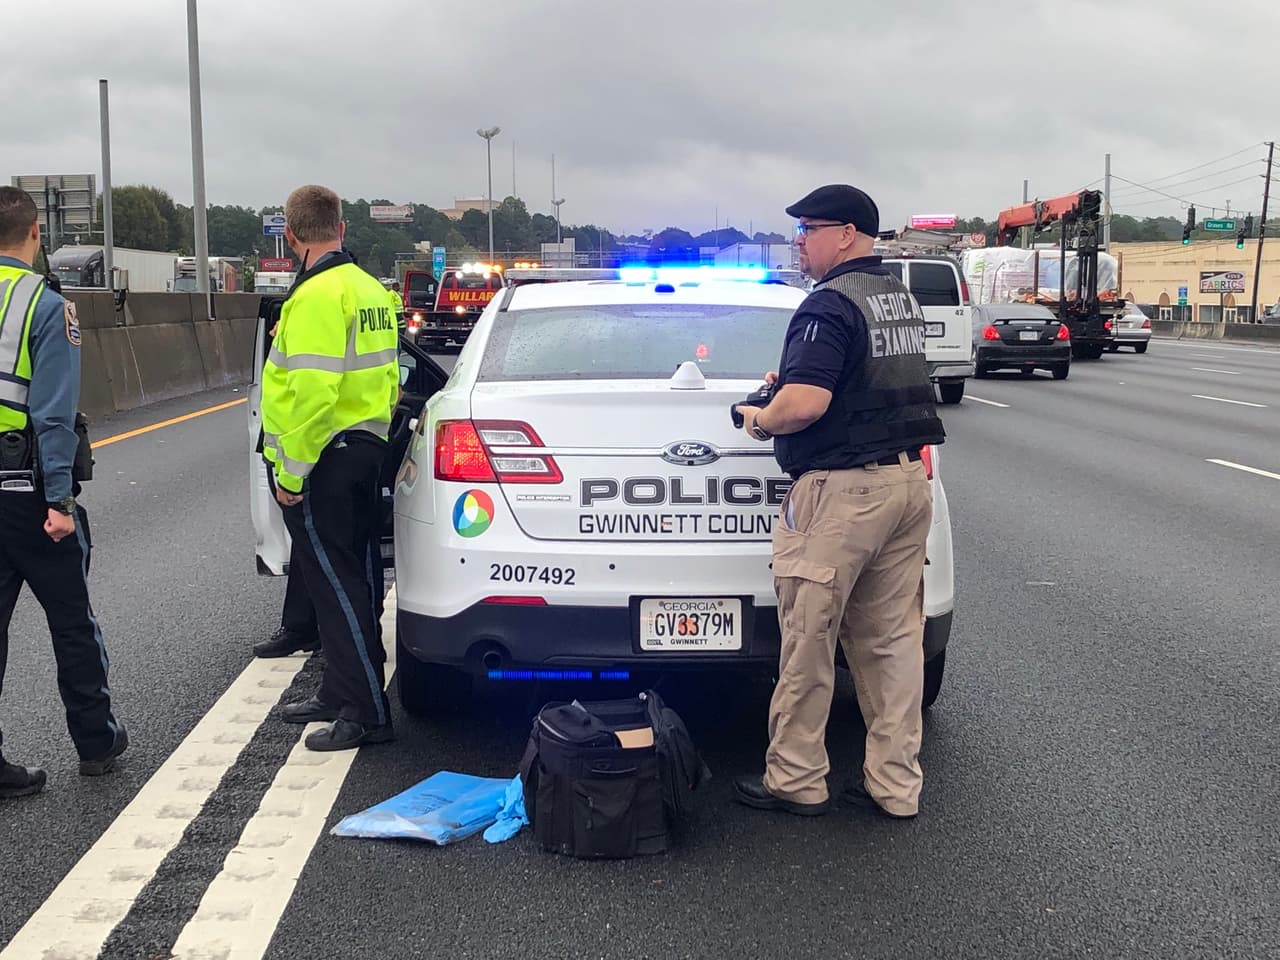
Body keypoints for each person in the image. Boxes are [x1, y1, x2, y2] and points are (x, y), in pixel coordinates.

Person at [732, 184, 946, 820]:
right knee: (891, 643)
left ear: (846, 233)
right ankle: (895, 786)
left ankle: (796, 778)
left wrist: (758, 417)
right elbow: (870, 382)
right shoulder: (893, 297)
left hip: (844, 493)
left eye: (809, 229)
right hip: (908, 486)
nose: (800, 240)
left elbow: (807, 405)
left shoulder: (827, 304)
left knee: (808, 636)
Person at [0, 186, 128, 798]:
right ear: (35, 236)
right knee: (71, 622)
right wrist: (59, 502)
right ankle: (96, 745)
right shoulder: (45, 306)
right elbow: (51, 414)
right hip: (28, 493)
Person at [262, 184, 399, 752]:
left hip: (324, 456)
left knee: (335, 582)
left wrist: (290, 471)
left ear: (291, 236)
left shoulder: (315, 296)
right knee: (357, 575)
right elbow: (390, 378)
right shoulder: (370, 289)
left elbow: (314, 396)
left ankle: (365, 710)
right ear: (340, 229)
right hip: (366, 446)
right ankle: (343, 690)